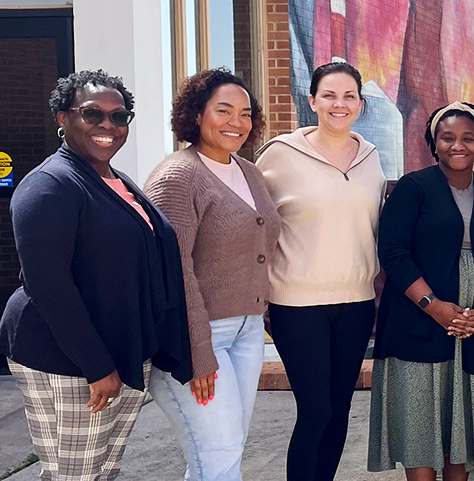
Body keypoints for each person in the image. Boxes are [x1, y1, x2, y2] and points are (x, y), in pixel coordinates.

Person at [0, 69, 193, 480]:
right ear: (62, 118)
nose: (108, 125)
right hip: (66, 358)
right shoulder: (49, 186)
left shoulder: (112, 180)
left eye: (119, 116)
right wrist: (97, 365)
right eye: (92, 114)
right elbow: (50, 287)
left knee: (103, 469)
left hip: (116, 354)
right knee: (76, 474)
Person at [368, 102, 474, 480]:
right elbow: (393, 252)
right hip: (417, 321)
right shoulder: (413, 188)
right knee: (420, 421)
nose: (459, 145)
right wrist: (433, 306)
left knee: (464, 425)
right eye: (447, 137)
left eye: (469, 138)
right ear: (433, 144)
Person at [144, 68, 280, 481]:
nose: (235, 122)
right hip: (198, 338)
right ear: (197, 115)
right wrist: (197, 353)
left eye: (244, 113)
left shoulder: (249, 171)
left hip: (247, 332)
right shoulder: (178, 176)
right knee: (218, 453)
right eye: (223, 111)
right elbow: (174, 269)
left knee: (220, 452)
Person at [256, 62, 385, 481]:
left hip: (357, 302)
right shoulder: (279, 154)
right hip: (297, 305)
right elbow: (253, 224)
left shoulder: (371, 155)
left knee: (340, 408)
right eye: (329, 95)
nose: (339, 104)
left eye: (349, 96)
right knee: (316, 410)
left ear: (361, 105)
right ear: (311, 100)